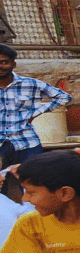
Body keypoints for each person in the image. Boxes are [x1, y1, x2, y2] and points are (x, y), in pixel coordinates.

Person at [0, 42, 71, 170]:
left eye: (4, 62)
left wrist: (36, 112)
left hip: (27, 143)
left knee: (34, 183)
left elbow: (64, 97)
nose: (0, 67)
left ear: (14, 64)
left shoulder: (30, 84)